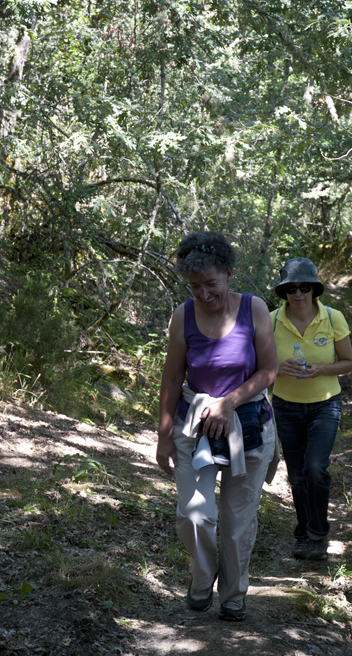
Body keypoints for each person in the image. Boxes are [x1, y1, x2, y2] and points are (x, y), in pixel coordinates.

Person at [156, 232, 279, 622]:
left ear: (228, 274)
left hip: (249, 423)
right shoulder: (183, 315)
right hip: (193, 424)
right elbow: (173, 379)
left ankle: (233, 594)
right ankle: (201, 578)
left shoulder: (254, 309)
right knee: (195, 514)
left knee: (237, 518)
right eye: (195, 287)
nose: (205, 294)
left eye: (211, 284)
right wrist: (162, 435)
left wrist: (230, 402)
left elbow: (269, 370)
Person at [270, 257, 352, 560]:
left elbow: (348, 363)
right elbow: (259, 365)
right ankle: (304, 534)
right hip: (285, 406)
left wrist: (321, 368)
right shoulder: (271, 321)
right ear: (284, 292)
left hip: (325, 403)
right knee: (296, 475)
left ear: (314, 289)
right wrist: (280, 367)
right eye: (291, 288)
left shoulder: (333, 318)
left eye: (304, 287)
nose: (298, 294)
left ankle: (318, 534)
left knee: (316, 466)